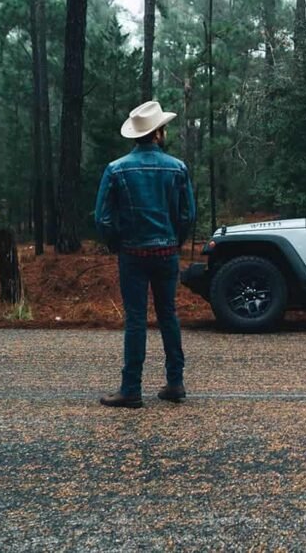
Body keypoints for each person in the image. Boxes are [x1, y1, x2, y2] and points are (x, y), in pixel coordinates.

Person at [94, 100, 196, 409]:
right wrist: (175, 242)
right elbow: (188, 215)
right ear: (159, 132)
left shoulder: (116, 169)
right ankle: (175, 382)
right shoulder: (177, 168)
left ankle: (131, 389)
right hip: (166, 252)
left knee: (136, 319)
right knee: (168, 315)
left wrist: (117, 244)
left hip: (133, 253)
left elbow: (102, 219)